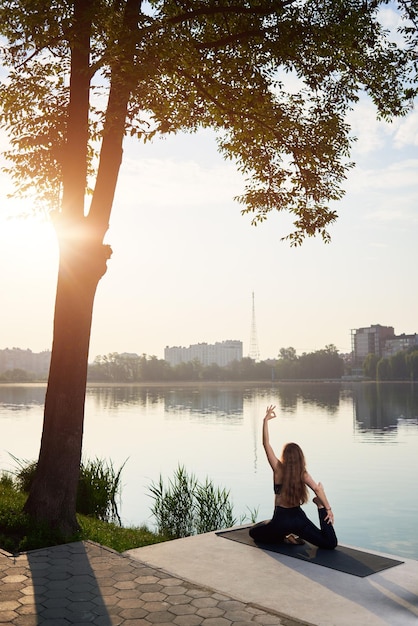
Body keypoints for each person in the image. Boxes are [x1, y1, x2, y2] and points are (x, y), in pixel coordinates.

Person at [249, 405, 337, 549]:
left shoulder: (278, 469)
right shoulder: (302, 474)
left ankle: (285, 535)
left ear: (285, 456)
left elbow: (266, 444)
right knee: (330, 543)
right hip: (298, 520)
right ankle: (292, 532)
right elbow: (318, 489)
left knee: (254, 533)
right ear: (300, 457)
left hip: (280, 521)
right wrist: (326, 509)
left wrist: (265, 421)